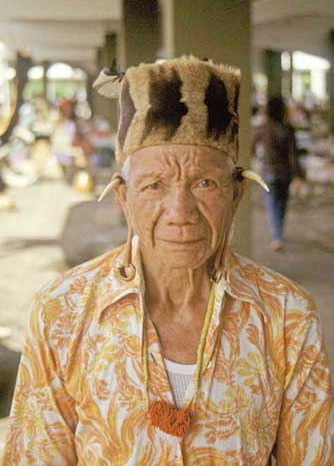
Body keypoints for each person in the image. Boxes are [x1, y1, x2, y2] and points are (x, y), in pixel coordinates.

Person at [2, 57, 333, 465]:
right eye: (154, 185)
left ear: (236, 193)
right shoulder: (62, 311)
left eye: (205, 183)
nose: (181, 210)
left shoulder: (287, 316)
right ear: (123, 198)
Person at [253, 96, 304, 251]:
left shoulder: (262, 128)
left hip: (268, 171)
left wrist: (260, 157)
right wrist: (298, 175)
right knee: (281, 205)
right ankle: (278, 234)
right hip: (285, 173)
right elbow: (293, 155)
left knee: (272, 204)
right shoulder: (288, 129)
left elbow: (251, 147)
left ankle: (277, 237)